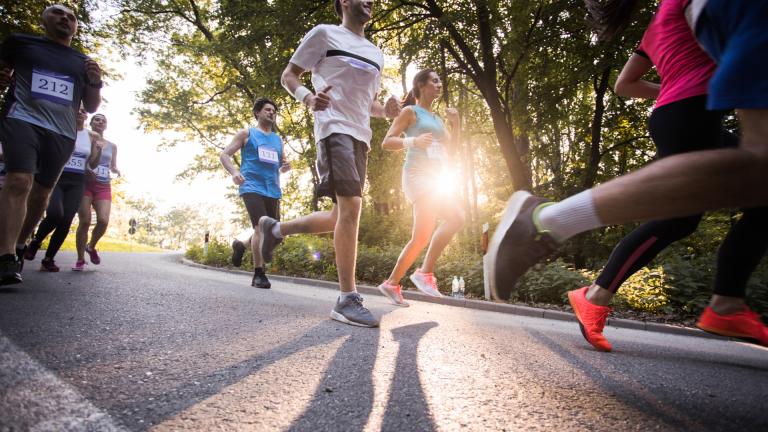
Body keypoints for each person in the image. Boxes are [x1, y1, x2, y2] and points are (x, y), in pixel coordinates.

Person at [488, 0, 768, 346]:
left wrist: (668, 88)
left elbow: (625, 84)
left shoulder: (659, 22)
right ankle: (551, 224)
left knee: (693, 214)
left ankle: (720, 301)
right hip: (689, 111)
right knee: (750, 177)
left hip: (675, 113)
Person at [258, 0, 400, 327]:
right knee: (351, 209)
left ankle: (275, 229)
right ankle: (347, 299)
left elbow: (370, 103)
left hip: (360, 135)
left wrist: (387, 111)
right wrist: (308, 98)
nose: (371, 1)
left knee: (340, 215)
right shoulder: (325, 34)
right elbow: (289, 75)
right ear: (344, 2)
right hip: (334, 128)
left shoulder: (376, 53)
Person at [0, 4, 102, 285]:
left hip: (61, 132)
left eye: (71, 17)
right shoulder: (20, 44)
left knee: (41, 196)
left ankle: (20, 244)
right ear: (44, 19)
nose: (65, 19)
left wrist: (95, 82)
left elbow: (91, 106)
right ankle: (6, 256)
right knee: (19, 181)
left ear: (75, 27)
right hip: (22, 119)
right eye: (58, 13)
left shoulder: (82, 62)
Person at [376, 69, 464, 306]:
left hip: (434, 179)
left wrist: (456, 125)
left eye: (439, 80)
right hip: (416, 176)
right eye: (435, 80)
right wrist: (413, 141)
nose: (439, 84)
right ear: (421, 85)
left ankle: (392, 283)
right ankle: (424, 273)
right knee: (455, 217)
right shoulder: (410, 111)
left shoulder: (436, 119)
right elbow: (387, 142)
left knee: (423, 235)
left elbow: (451, 151)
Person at [220, 98, 290, 288]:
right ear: (257, 113)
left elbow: (281, 164)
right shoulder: (247, 134)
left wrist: (286, 166)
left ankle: (241, 245)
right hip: (251, 186)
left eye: (274, 111)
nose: (271, 113)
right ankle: (259, 274)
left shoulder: (277, 140)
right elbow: (224, 155)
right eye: (267, 110)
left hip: (273, 189)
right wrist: (234, 172)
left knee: (275, 235)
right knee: (260, 228)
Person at [24, 106, 103, 271]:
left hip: (77, 181)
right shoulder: (61, 130)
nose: (80, 113)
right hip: (58, 177)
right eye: (77, 110)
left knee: (66, 219)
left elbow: (92, 163)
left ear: (86, 117)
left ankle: (48, 259)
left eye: (83, 111)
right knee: (54, 213)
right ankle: (36, 242)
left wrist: (99, 151)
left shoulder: (91, 136)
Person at [73, 113, 120, 271]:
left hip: (103, 185)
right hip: (86, 184)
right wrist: (86, 169)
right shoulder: (83, 137)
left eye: (103, 121)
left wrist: (115, 170)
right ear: (91, 123)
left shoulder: (112, 146)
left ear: (106, 125)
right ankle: (80, 259)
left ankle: (91, 246)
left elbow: (112, 165)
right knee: (85, 221)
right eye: (97, 119)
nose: (100, 122)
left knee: (103, 220)